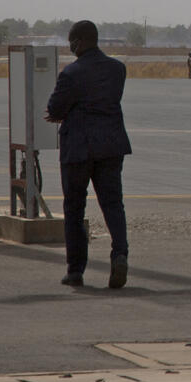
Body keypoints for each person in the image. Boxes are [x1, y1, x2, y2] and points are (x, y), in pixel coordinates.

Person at [45, 20, 131, 288]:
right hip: (111, 146)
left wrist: (65, 113)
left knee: (74, 208)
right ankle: (120, 254)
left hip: (79, 148)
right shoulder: (117, 69)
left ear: (79, 41)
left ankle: (75, 270)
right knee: (113, 204)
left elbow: (55, 108)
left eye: (71, 41)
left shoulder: (71, 73)